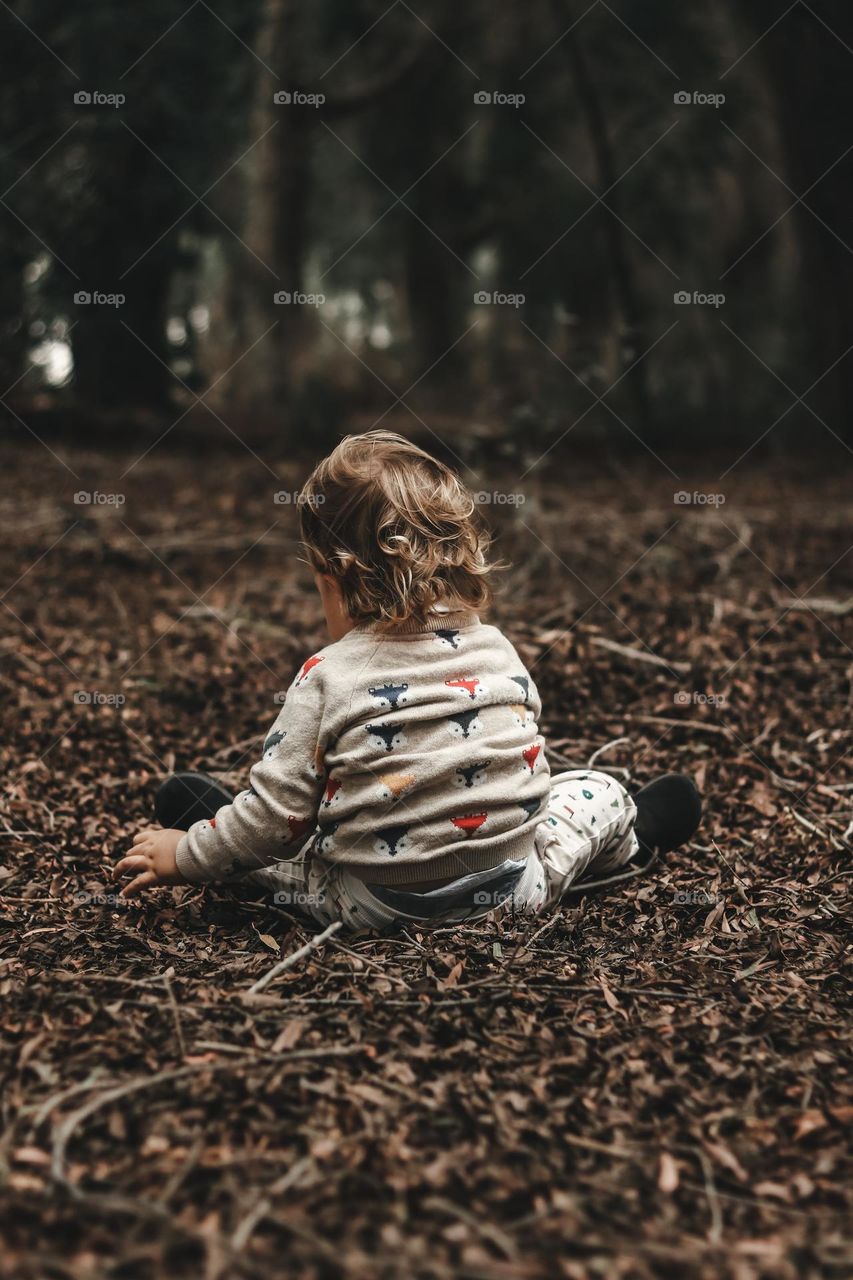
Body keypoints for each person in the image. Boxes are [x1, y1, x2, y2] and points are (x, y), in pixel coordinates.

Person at [114, 431, 701, 930]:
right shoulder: (496, 648)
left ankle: (211, 828)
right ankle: (634, 836)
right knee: (592, 790)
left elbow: (279, 819)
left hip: (373, 901)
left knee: (285, 847)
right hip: (517, 890)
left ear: (336, 576)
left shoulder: (329, 676)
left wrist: (184, 856)